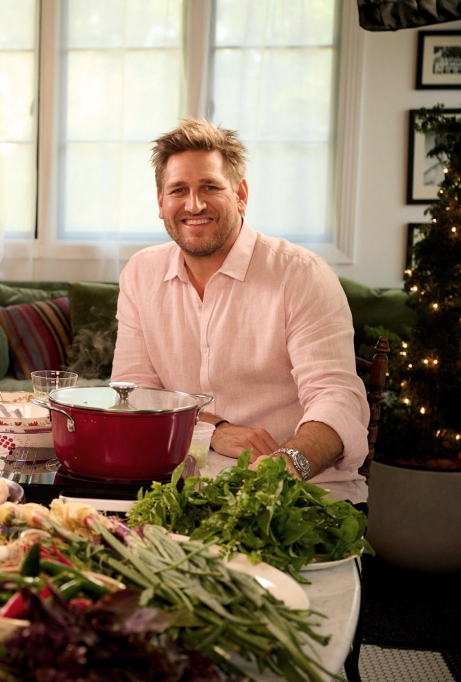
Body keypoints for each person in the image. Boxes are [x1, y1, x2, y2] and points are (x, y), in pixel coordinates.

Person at [110, 119, 370, 502]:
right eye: (178, 190)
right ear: (162, 203)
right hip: (173, 488)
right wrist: (214, 428)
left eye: (210, 187)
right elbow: (133, 394)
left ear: (241, 193)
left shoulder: (301, 274)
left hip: (300, 492)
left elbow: (337, 397)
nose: (194, 204)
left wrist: (286, 465)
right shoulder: (140, 273)